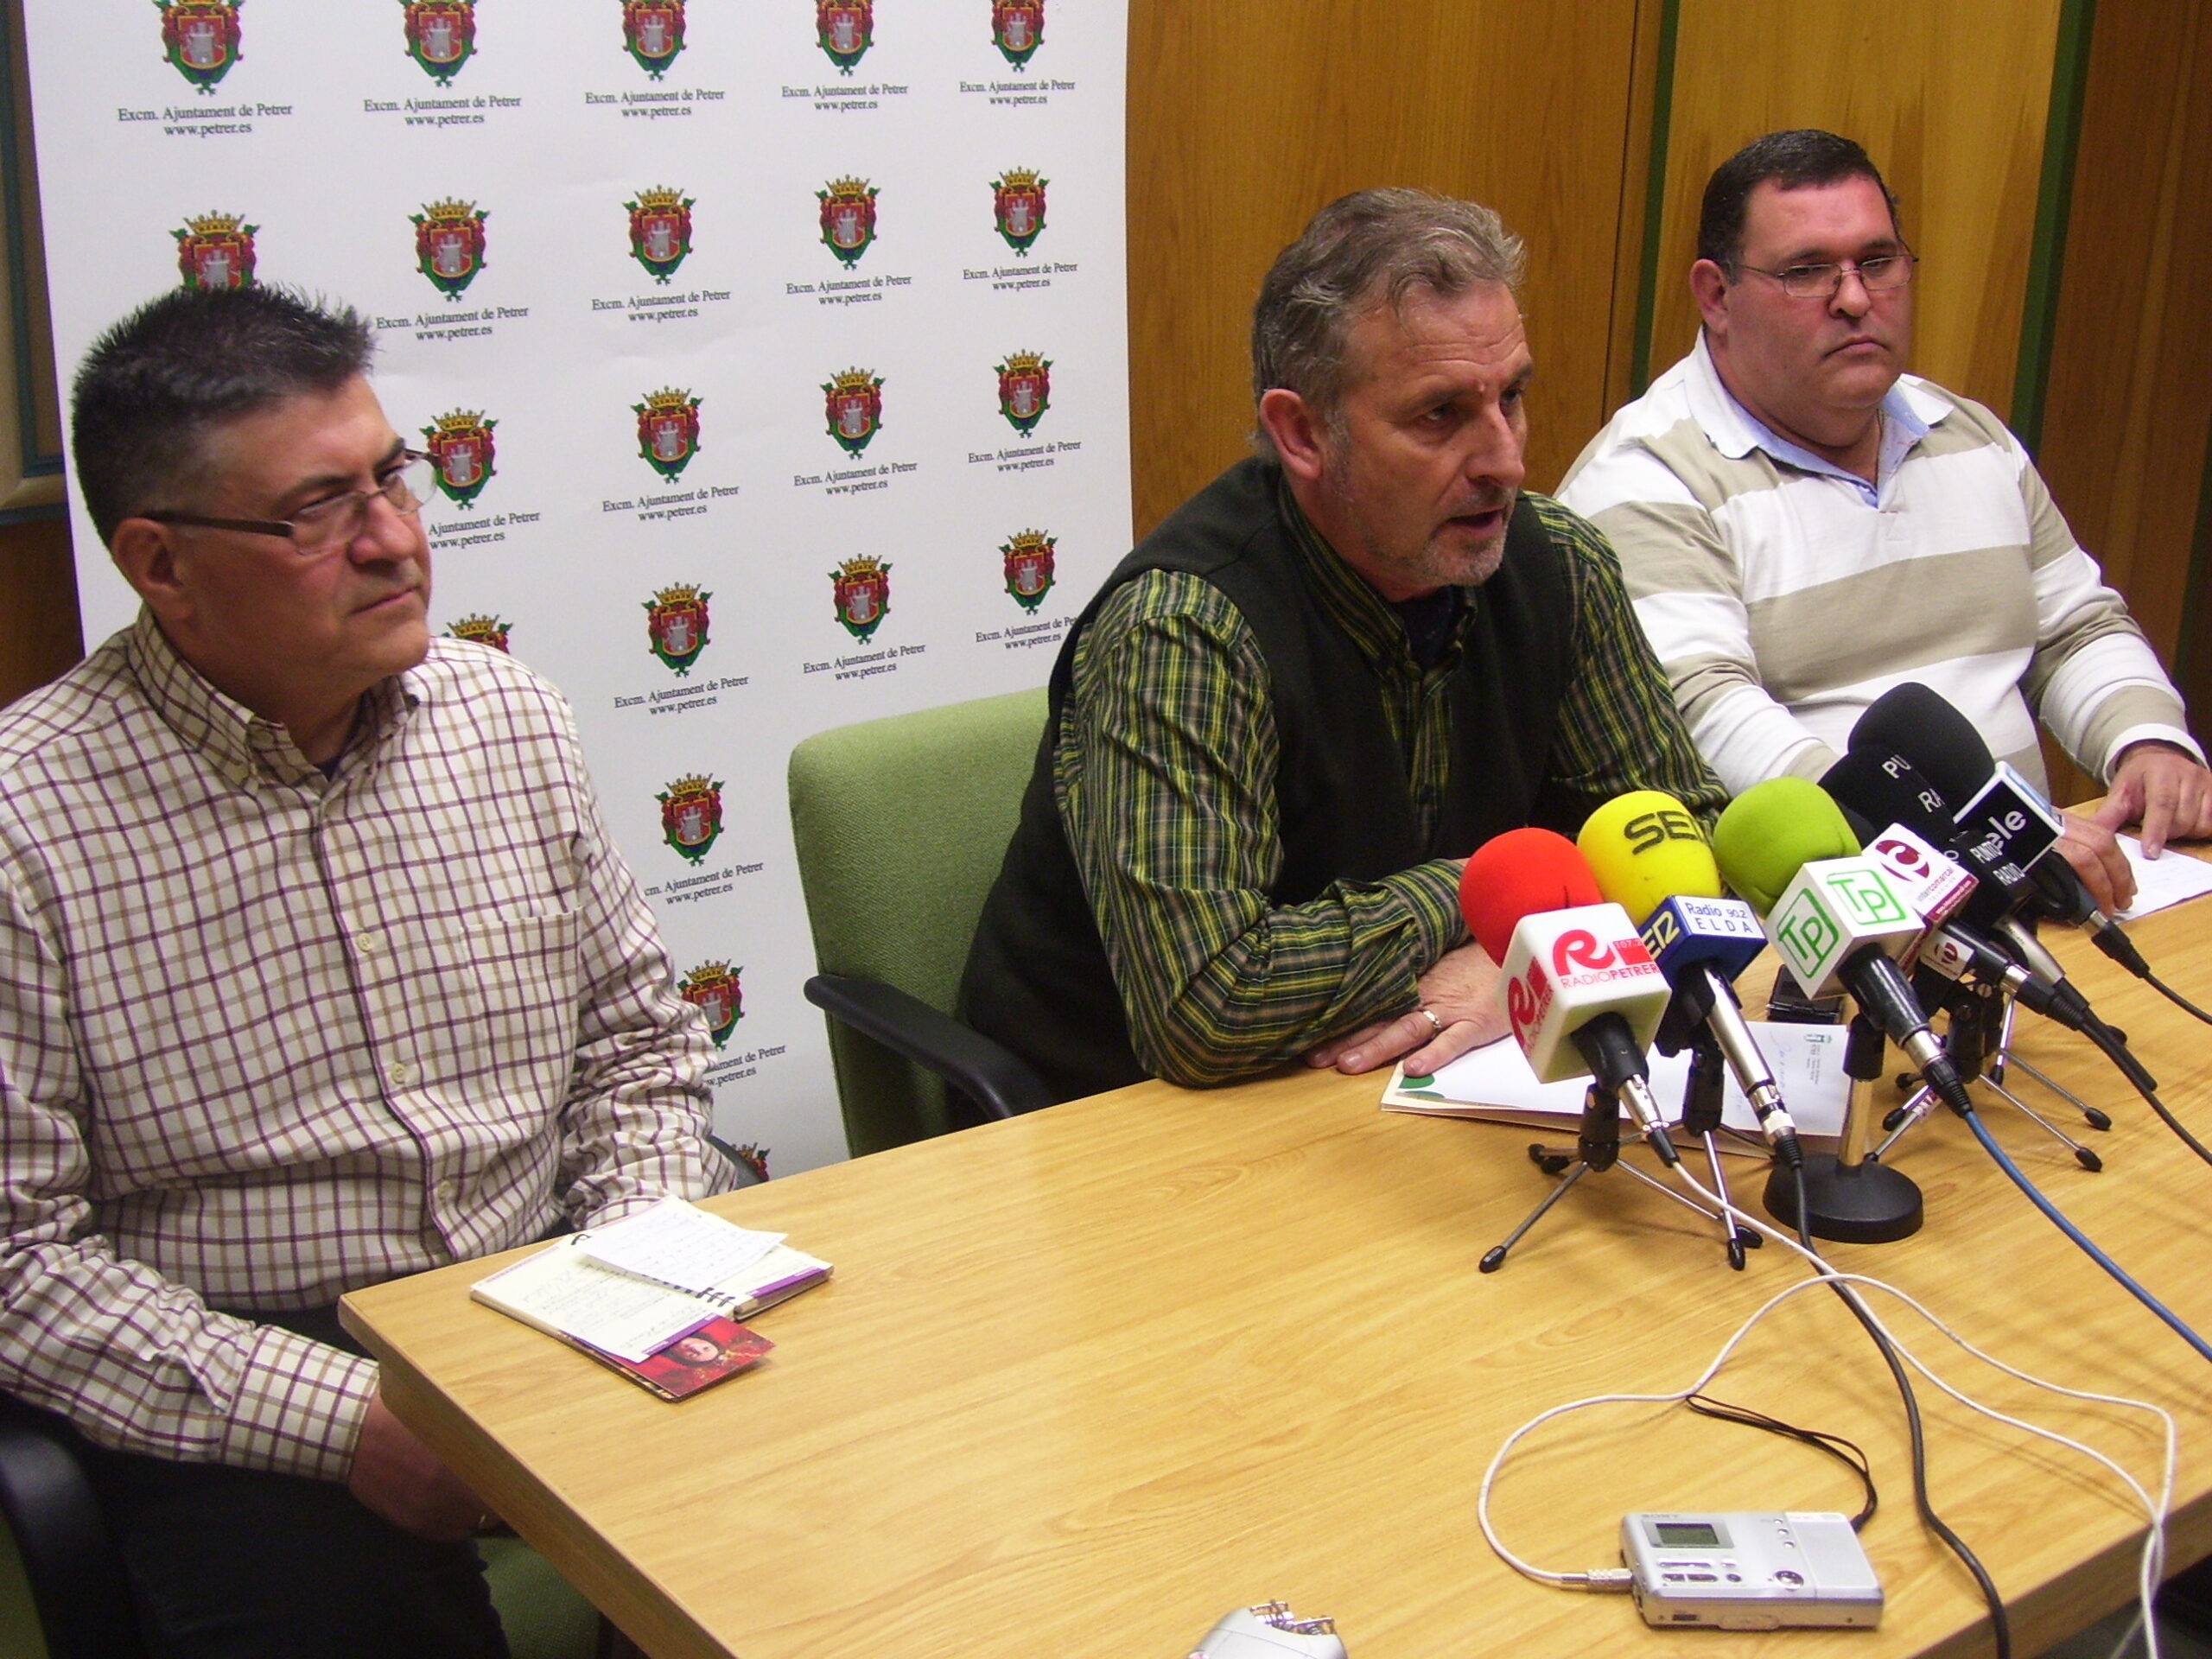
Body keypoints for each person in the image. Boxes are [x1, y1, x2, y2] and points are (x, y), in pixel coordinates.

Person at [0, 283, 741, 1657]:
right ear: (161, 564)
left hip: (560, 1276)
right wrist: (350, 1423)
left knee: (854, 1525)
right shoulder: (25, 825)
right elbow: (18, 1260)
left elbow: (637, 1044)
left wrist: (637, 1257)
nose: (395, 538)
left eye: (391, 478)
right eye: (317, 512)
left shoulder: (505, 718)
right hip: (257, 1368)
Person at [958, 188, 1725, 1104]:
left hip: (1410, 1091)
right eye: (1440, 415)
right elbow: (1207, 1004)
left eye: (1511, 397)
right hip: (1118, 1122)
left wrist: (1516, 960)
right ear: (1302, 432)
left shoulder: (1558, 564)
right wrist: (1494, 901)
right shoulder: (1184, 630)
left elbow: (1686, 845)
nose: (1506, 460)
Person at [1558, 129, 2212, 913]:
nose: (1855, 299)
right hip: (1828, 922)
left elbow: (2075, 629)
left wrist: (2147, 741)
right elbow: (1705, 714)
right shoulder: (1646, 477)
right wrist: (1966, 845)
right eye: (1807, 272)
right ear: (1716, 296)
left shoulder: (1968, 434)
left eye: (1877, 261)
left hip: (2041, 895)